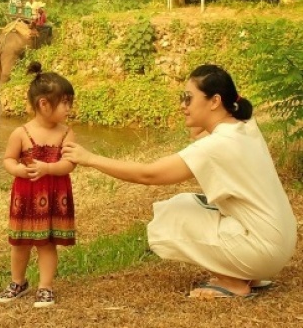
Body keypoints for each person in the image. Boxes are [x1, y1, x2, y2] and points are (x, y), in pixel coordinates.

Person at [62, 64, 297, 299]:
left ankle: (233, 283)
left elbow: (149, 174)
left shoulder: (217, 146)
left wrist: (89, 158)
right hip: (281, 241)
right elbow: (199, 134)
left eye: (188, 98)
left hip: (263, 250)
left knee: (173, 215)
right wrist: (199, 119)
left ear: (214, 101)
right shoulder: (243, 125)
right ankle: (246, 271)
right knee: (189, 202)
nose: (182, 105)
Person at [0, 61, 77, 308]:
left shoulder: (66, 133)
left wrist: (48, 168)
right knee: (20, 243)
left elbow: (70, 163)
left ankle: (45, 286)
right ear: (44, 104)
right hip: (26, 195)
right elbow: (8, 159)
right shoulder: (21, 133)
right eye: (65, 103)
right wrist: (18, 169)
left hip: (53, 197)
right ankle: (18, 282)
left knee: (47, 243)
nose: (69, 108)